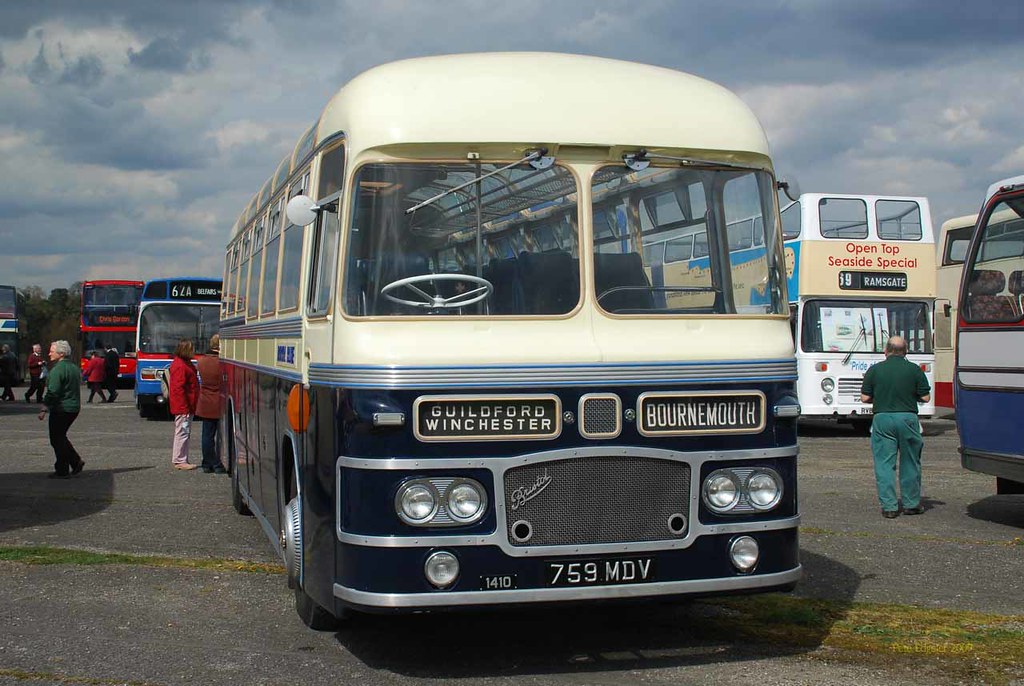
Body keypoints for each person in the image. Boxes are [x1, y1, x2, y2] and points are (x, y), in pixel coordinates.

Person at [860, 335, 932, 519]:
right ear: (906, 351)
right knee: (910, 461)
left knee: (884, 463)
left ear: (886, 351)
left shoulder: (875, 370)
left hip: (882, 418)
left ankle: (889, 507)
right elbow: (925, 398)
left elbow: (865, 398)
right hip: (908, 417)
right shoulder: (914, 370)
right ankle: (911, 504)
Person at [38, 340, 84, 478]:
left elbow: (53, 392)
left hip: (62, 408)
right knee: (61, 437)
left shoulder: (58, 370)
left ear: (61, 353)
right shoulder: (74, 368)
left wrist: (44, 407)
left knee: (56, 439)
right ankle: (75, 462)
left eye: (52, 351)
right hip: (74, 407)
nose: (49, 353)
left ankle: (62, 470)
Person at [195, 334, 226, 474]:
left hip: (206, 401)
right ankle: (218, 463)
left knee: (207, 435)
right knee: (221, 435)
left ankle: (207, 463)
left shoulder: (201, 361)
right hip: (220, 401)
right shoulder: (222, 362)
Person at [169, 338, 199, 471]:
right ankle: (180, 459)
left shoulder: (182, 363)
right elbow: (178, 388)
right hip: (183, 406)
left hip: (186, 404)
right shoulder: (181, 365)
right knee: (182, 431)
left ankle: (182, 458)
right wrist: (184, 407)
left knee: (184, 431)